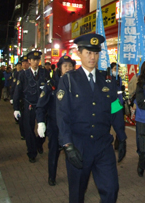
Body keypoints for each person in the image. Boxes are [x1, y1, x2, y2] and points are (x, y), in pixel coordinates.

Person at [56, 33, 126, 203]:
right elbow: (62, 113)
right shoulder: (69, 81)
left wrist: (122, 136)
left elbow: (115, 108)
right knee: (77, 193)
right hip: (79, 146)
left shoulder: (107, 81)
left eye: (95, 53)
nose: (92, 57)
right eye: (88, 52)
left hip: (103, 145)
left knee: (111, 189)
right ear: (79, 54)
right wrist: (67, 145)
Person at [36, 55, 76, 186]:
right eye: (65, 66)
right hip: (54, 125)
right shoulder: (52, 84)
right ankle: (51, 176)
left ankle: (73, 177)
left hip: (72, 125)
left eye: (70, 66)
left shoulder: (77, 83)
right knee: (53, 151)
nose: (68, 68)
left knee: (72, 152)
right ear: (59, 69)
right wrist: (41, 122)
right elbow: (41, 105)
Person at [13, 51, 49, 163]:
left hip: (43, 106)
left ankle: (38, 143)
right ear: (29, 61)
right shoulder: (23, 74)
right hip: (29, 105)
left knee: (44, 129)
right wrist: (16, 108)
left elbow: (49, 88)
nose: (35, 62)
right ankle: (32, 152)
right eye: (33, 60)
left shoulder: (44, 72)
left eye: (37, 60)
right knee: (29, 130)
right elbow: (17, 91)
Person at [10, 59, 26, 140]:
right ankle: (23, 134)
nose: (22, 65)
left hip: (28, 101)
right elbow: (14, 86)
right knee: (22, 119)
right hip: (20, 100)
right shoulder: (17, 73)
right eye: (21, 64)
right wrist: (12, 97)